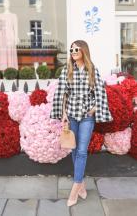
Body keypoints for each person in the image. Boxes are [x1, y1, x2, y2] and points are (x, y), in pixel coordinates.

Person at [49, 40, 113, 207]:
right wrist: (63, 113)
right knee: (73, 148)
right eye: (71, 49)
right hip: (71, 115)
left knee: (82, 151)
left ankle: (75, 186)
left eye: (76, 49)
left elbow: (100, 92)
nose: (73, 51)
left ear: (83, 51)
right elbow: (62, 94)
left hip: (86, 116)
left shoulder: (93, 70)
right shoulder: (67, 70)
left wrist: (93, 109)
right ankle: (82, 184)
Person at [0, 0, 19, 71]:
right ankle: (4, 74)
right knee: (3, 56)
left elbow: (15, 27)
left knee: (10, 54)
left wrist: (16, 37)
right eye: (5, 3)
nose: (6, 4)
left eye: (8, 3)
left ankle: (11, 72)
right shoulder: (0, 15)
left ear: (10, 4)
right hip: (3, 38)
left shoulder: (13, 15)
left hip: (11, 37)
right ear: (3, 4)